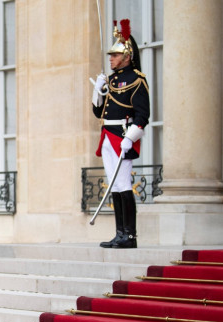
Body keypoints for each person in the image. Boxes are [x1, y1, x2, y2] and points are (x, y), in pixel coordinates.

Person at [92, 19, 150, 249]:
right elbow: (99, 112)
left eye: (115, 55)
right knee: (114, 185)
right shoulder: (112, 79)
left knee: (124, 183)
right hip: (107, 134)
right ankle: (119, 233)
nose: (111, 58)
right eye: (111, 55)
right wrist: (98, 90)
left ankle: (130, 235)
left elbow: (143, 115)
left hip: (123, 136)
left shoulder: (137, 79)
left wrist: (130, 138)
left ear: (127, 56)